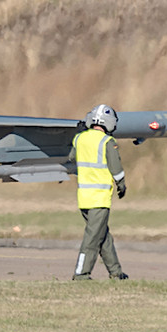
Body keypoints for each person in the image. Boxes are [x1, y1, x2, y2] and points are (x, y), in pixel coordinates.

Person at [73, 103, 129, 281]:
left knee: (102, 236)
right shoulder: (107, 142)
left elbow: (71, 157)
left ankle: (116, 272)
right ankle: (81, 273)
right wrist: (121, 184)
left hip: (84, 198)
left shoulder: (79, 139)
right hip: (99, 199)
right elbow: (116, 167)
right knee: (92, 239)